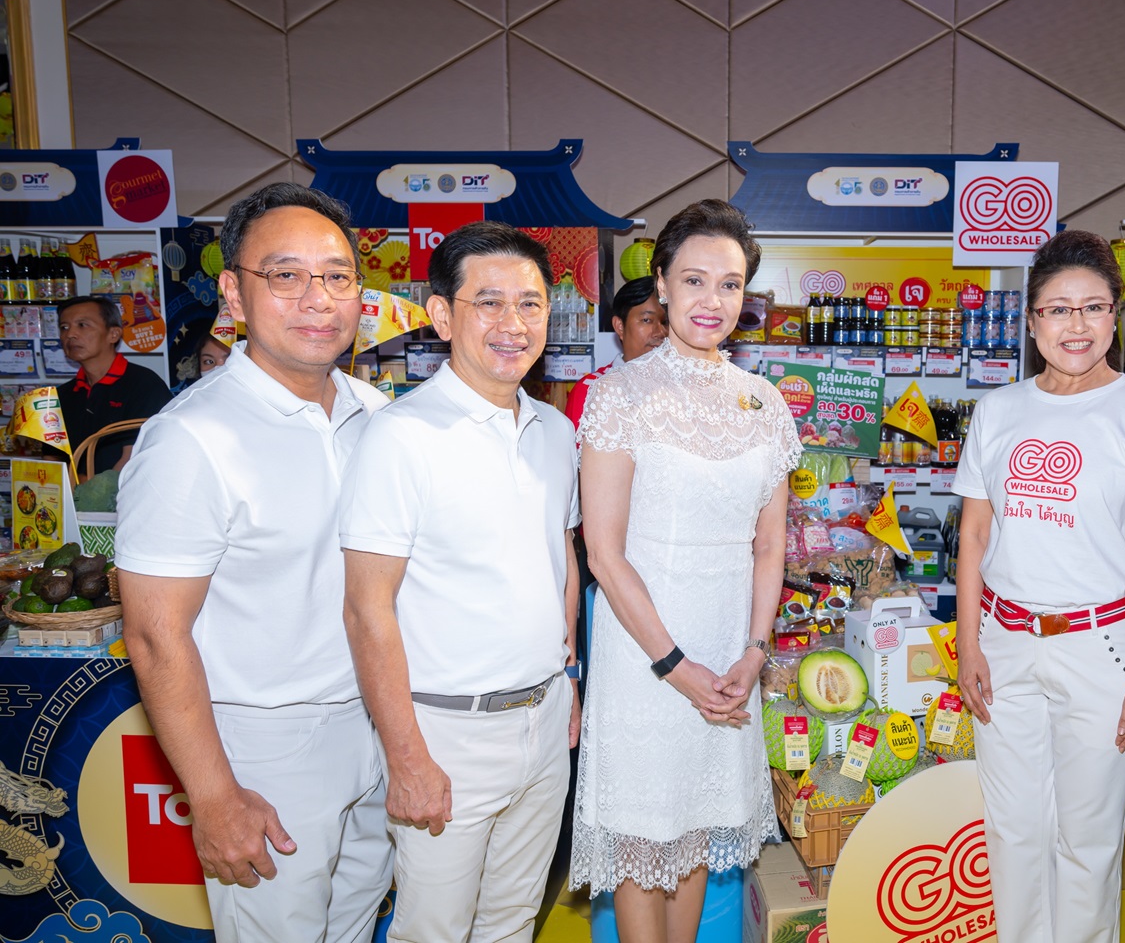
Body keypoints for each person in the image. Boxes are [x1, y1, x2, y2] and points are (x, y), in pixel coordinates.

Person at [115, 182, 392, 941]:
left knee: (354, 928)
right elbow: (155, 635)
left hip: (376, 725)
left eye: (336, 276)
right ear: (234, 294)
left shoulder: (376, 417)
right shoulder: (192, 438)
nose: (317, 298)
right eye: (286, 275)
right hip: (266, 746)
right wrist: (213, 795)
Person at [951, 230, 1125, 943]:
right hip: (1005, 644)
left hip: (1107, 649)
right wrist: (970, 645)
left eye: (1094, 308)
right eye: (1058, 310)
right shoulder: (999, 411)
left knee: (1088, 844)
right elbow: (974, 538)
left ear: (1115, 316)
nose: (1077, 325)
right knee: (1014, 833)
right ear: (1032, 322)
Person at [340, 221, 580, 943]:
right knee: (433, 930)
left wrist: (567, 674)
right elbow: (367, 608)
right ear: (442, 315)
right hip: (446, 732)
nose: (514, 324)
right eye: (490, 302)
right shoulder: (402, 435)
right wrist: (407, 754)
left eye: (531, 304)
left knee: (512, 922)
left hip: (544, 720)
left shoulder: (554, 430)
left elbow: (561, 556)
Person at [570, 199, 801, 942]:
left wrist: (753, 653)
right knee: (644, 842)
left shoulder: (765, 403)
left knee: (699, 826)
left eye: (729, 285)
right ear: (662, 284)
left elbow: (770, 546)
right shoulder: (620, 395)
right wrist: (674, 664)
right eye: (694, 280)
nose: (712, 300)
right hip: (647, 650)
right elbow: (603, 552)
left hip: (729, 652)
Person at [58, 294, 172, 469]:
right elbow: (53, 458)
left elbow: (133, 459)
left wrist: (86, 485)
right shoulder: (61, 395)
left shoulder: (144, 385)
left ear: (113, 334)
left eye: (82, 325)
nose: (70, 334)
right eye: (64, 327)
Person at [565, 274, 669, 428]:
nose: (660, 332)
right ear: (620, 326)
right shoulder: (590, 390)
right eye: (647, 320)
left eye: (665, 322)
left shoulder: (683, 388)